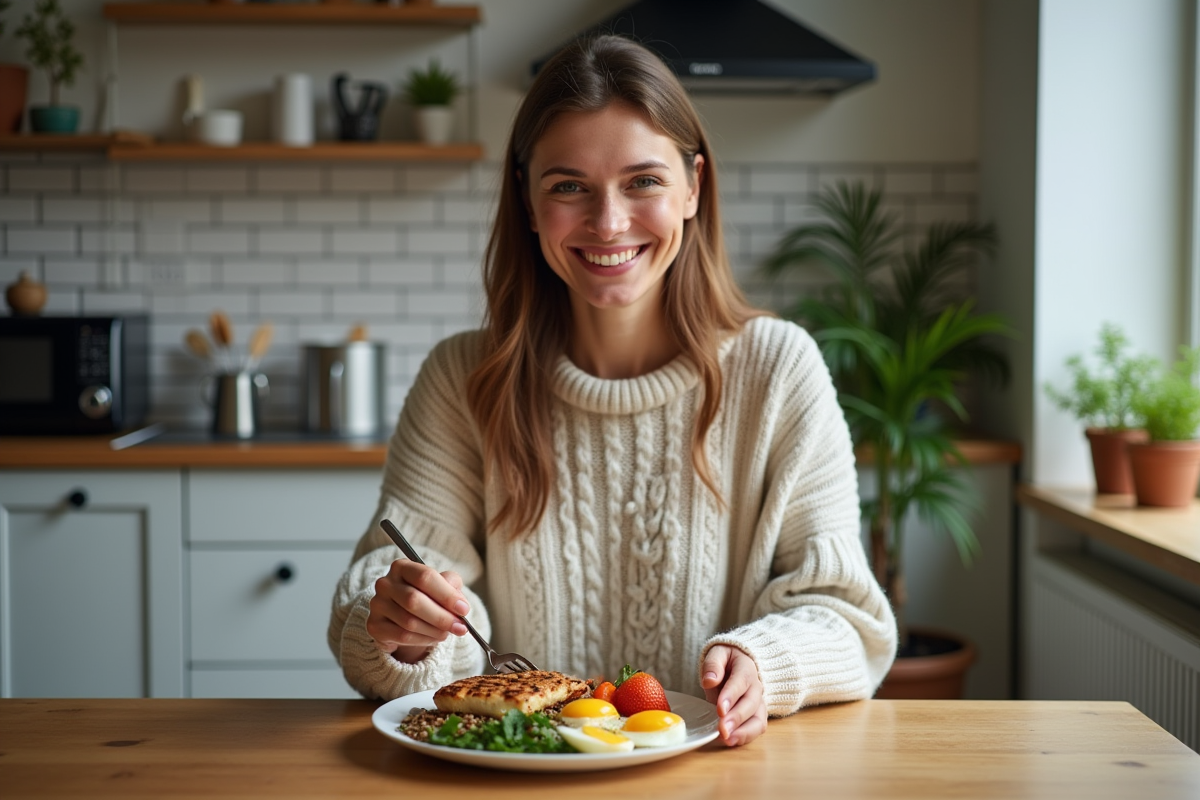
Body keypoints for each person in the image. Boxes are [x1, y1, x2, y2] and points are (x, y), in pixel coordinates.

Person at [329, 34, 897, 748]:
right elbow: (390, 583)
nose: (608, 222)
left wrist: (767, 659)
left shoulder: (779, 369)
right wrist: (409, 634)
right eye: (569, 186)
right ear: (528, 202)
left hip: (719, 777)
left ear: (694, 187)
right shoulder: (463, 380)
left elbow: (847, 616)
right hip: (516, 783)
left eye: (644, 181)